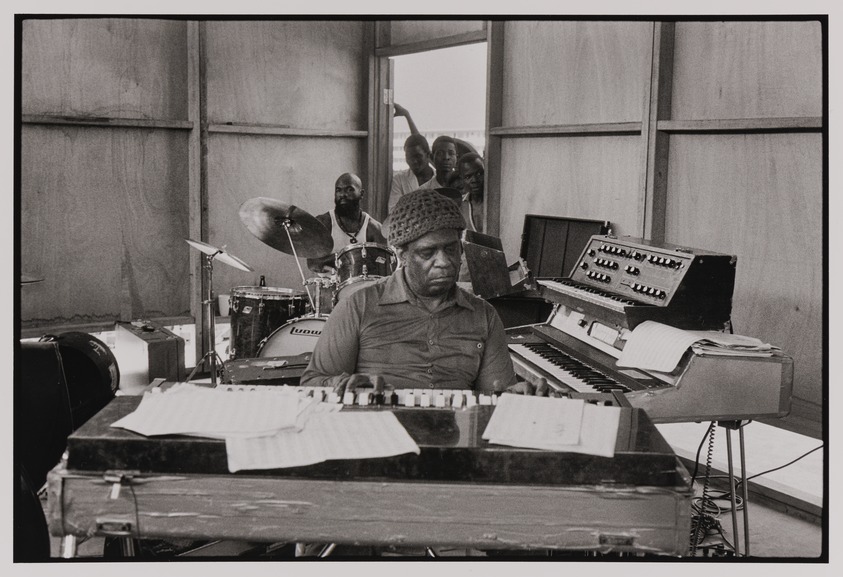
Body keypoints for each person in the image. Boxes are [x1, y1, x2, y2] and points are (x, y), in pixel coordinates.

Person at [301, 188, 542, 397]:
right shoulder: (358, 307)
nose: (444, 262)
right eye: (428, 253)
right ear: (402, 256)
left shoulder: (483, 316)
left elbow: (497, 393)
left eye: (451, 249)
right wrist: (341, 384)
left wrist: (516, 395)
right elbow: (313, 382)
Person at [306, 173, 387, 274]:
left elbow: (384, 265)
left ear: (361, 194)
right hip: (329, 287)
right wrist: (347, 258)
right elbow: (312, 263)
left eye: (349, 189)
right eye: (338, 190)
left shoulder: (374, 229)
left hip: (363, 287)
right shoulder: (324, 223)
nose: (342, 194)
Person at [387, 133, 434, 214]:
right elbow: (393, 212)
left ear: (428, 155)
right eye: (409, 157)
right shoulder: (399, 179)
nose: (414, 161)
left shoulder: (438, 179)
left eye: (418, 156)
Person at [457, 152, 485, 233]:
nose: (475, 180)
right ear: (461, 179)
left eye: (479, 174)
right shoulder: (459, 205)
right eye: (468, 177)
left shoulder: (497, 202)